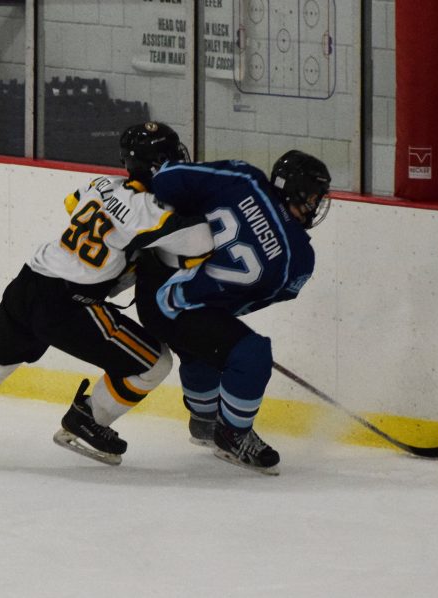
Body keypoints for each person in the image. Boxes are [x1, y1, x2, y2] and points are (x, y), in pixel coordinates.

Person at [0, 122, 213, 465]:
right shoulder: (154, 213)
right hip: (69, 305)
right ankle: (88, 419)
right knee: (155, 363)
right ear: (160, 165)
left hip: (28, 282)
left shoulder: (99, 184)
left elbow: (73, 204)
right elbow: (199, 245)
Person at [133, 150, 331, 475]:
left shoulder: (244, 178)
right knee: (251, 353)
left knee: (204, 349)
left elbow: (167, 179)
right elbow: (247, 302)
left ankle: (204, 422)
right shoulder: (300, 258)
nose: (316, 204)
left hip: (152, 291)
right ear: (296, 189)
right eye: (313, 196)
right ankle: (233, 434)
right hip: (185, 309)